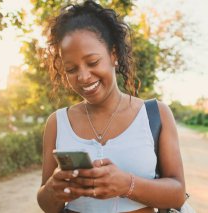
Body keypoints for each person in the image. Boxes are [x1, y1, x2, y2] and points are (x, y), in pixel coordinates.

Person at [37, 1, 186, 212]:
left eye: (92, 62)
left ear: (113, 54)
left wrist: (126, 184)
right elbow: (47, 204)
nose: (83, 76)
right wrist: (54, 189)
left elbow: (177, 194)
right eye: (71, 69)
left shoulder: (155, 114)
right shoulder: (57, 122)